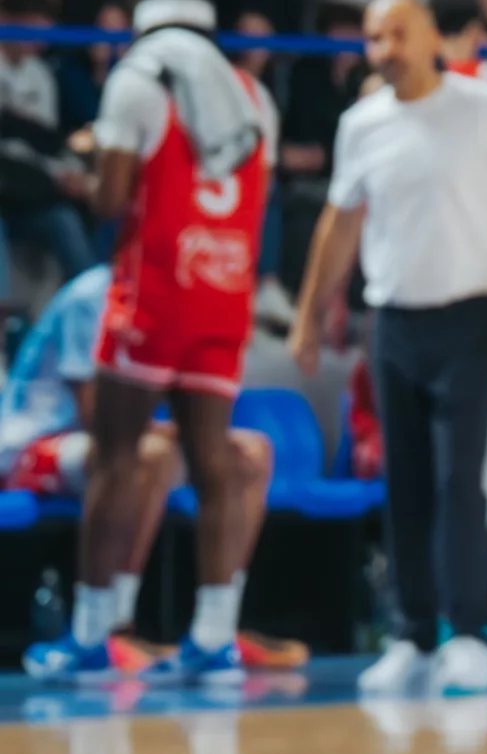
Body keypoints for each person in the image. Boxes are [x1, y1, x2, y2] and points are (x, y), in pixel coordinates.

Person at [290, 0, 487, 697]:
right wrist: (309, 313)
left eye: (397, 34)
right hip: (393, 321)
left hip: (474, 317)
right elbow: (338, 224)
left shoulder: (486, 108)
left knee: (459, 480)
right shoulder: (360, 124)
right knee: (403, 480)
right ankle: (410, 634)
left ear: (432, 35)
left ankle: (466, 632)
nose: (385, 49)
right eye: (374, 38)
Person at [25, 0, 278, 679]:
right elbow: (259, 198)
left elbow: (110, 201)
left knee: (117, 458)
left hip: (156, 293)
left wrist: (88, 163)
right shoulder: (254, 97)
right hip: (224, 289)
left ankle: (92, 633)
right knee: (213, 461)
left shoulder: (137, 84)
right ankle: (213, 636)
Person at [0, 260, 294, 670]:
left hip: (112, 441)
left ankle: (216, 629)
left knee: (251, 454)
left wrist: (201, 436)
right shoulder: (93, 295)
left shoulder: (176, 299)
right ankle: (113, 627)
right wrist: (188, 434)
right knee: (149, 456)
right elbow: (97, 417)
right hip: (31, 447)